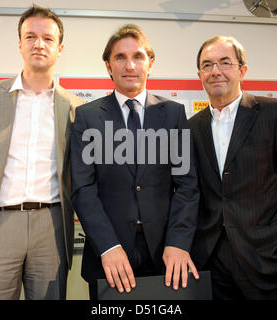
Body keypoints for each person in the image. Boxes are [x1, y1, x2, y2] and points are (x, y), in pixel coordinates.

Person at [0, 5, 84, 299]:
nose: (39, 44)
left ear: (59, 48)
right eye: (31, 37)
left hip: (51, 227)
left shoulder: (76, 108)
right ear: (20, 44)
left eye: (48, 38)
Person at [70, 24, 200, 299]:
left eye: (138, 56)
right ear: (108, 66)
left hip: (165, 256)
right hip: (108, 257)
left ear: (150, 64)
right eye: (120, 57)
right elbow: (83, 189)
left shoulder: (174, 114)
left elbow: (187, 186)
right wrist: (107, 246)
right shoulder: (87, 117)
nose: (130, 65)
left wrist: (178, 242)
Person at [189, 35, 277, 299]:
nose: (215, 71)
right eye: (207, 65)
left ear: (242, 70)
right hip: (212, 266)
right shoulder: (192, 126)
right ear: (200, 74)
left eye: (225, 63)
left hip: (270, 262)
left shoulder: (275, 113)